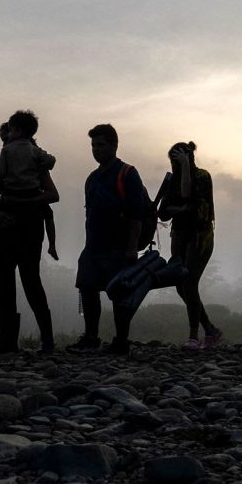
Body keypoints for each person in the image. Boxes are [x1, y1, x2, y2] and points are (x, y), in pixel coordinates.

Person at [72, 124, 150, 355]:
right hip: (94, 246)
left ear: (114, 146)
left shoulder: (127, 173)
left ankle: (121, 340)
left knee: (119, 294)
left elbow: (137, 215)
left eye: (101, 145)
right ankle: (91, 336)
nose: (96, 150)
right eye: (93, 146)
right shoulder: (92, 178)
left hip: (119, 245)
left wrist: (132, 248)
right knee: (87, 287)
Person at [0, 110, 58, 354]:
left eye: (9, 134)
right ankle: (9, 342)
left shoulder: (30, 163)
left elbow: (52, 195)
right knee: (4, 281)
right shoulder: (30, 158)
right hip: (12, 225)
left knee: (29, 280)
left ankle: (46, 341)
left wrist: (20, 204)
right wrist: (0, 213)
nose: (6, 141)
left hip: (26, 223)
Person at [156, 142, 224, 350]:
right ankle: (210, 329)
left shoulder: (202, 176)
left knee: (189, 281)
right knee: (180, 282)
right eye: (174, 159)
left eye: (181, 158)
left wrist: (186, 166)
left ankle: (194, 335)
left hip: (199, 236)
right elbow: (163, 211)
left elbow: (187, 195)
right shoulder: (172, 180)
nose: (176, 163)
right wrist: (181, 209)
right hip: (179, 235)